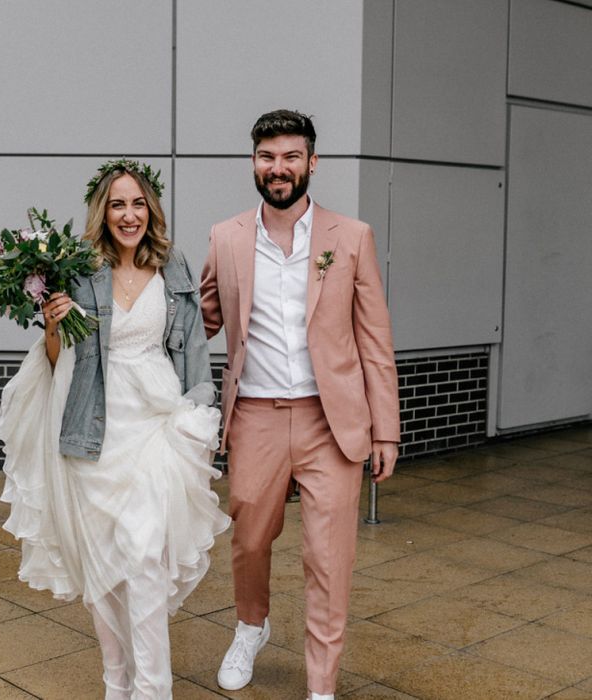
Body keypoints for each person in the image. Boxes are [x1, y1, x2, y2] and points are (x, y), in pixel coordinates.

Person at [0, 158, 231, 700]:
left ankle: (154, 691)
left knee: (145, 557)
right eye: (118, 204)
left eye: (138, 203)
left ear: (152, 209)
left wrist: (200, 415)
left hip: (157, 427)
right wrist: (53, 326)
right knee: (103, 570)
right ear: (103, 213)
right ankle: (116, 685)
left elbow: (194, 352)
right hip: (93, 429)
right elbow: (59, 361)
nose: (129, 215)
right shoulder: (78, 271)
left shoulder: (174, 268)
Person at [200, 109, 400, 699]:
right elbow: (199, 322)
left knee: (329, 557)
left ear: (312, 162)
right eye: (267, 157)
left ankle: (321, 686)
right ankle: (251, 625)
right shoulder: (226, 236)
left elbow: (374, 339)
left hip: (331, 422)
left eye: (290, 157)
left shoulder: (352, 237)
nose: (278, 168)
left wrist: (385, 430)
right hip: (255, 416)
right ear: (253, 164)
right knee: (250, 541)